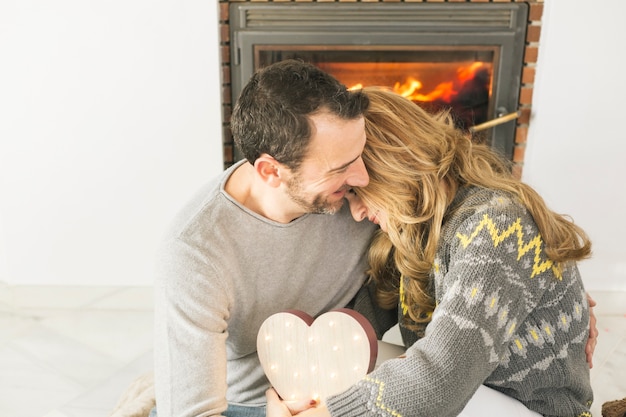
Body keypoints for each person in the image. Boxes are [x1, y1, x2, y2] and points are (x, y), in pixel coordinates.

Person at [266, 87, 595, 417]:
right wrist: (308, 384)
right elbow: (355, 326)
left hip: (532, 409)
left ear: (395, 165)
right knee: (356, 360)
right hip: (474, 395)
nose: (356, 214)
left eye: (357, 192)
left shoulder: (498, 224)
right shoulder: (416, 227)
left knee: (395, 384)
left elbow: (442, 376)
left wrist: (325, 414)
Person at [152, 60, 398, 417]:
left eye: (359, 155)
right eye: (341, 168)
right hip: (247, 404)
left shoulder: (359, 192)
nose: (361, 177)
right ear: (271, 171)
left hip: (342, 379)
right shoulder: (194, 254)